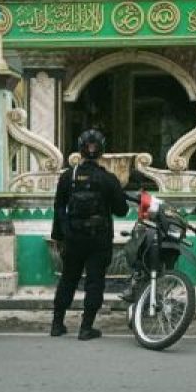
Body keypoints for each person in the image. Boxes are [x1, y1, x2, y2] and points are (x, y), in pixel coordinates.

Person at [50, 129, 129, 340]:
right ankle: (86, 328)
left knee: (68, 279)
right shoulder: (108, 179)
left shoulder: (69, 176)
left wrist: (59, 236)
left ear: (80, 149)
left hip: (73, 238)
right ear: (102, 150)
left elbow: (58, 208)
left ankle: (57, 324)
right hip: (99, 239)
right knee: (95, 282)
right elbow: (122, 210)